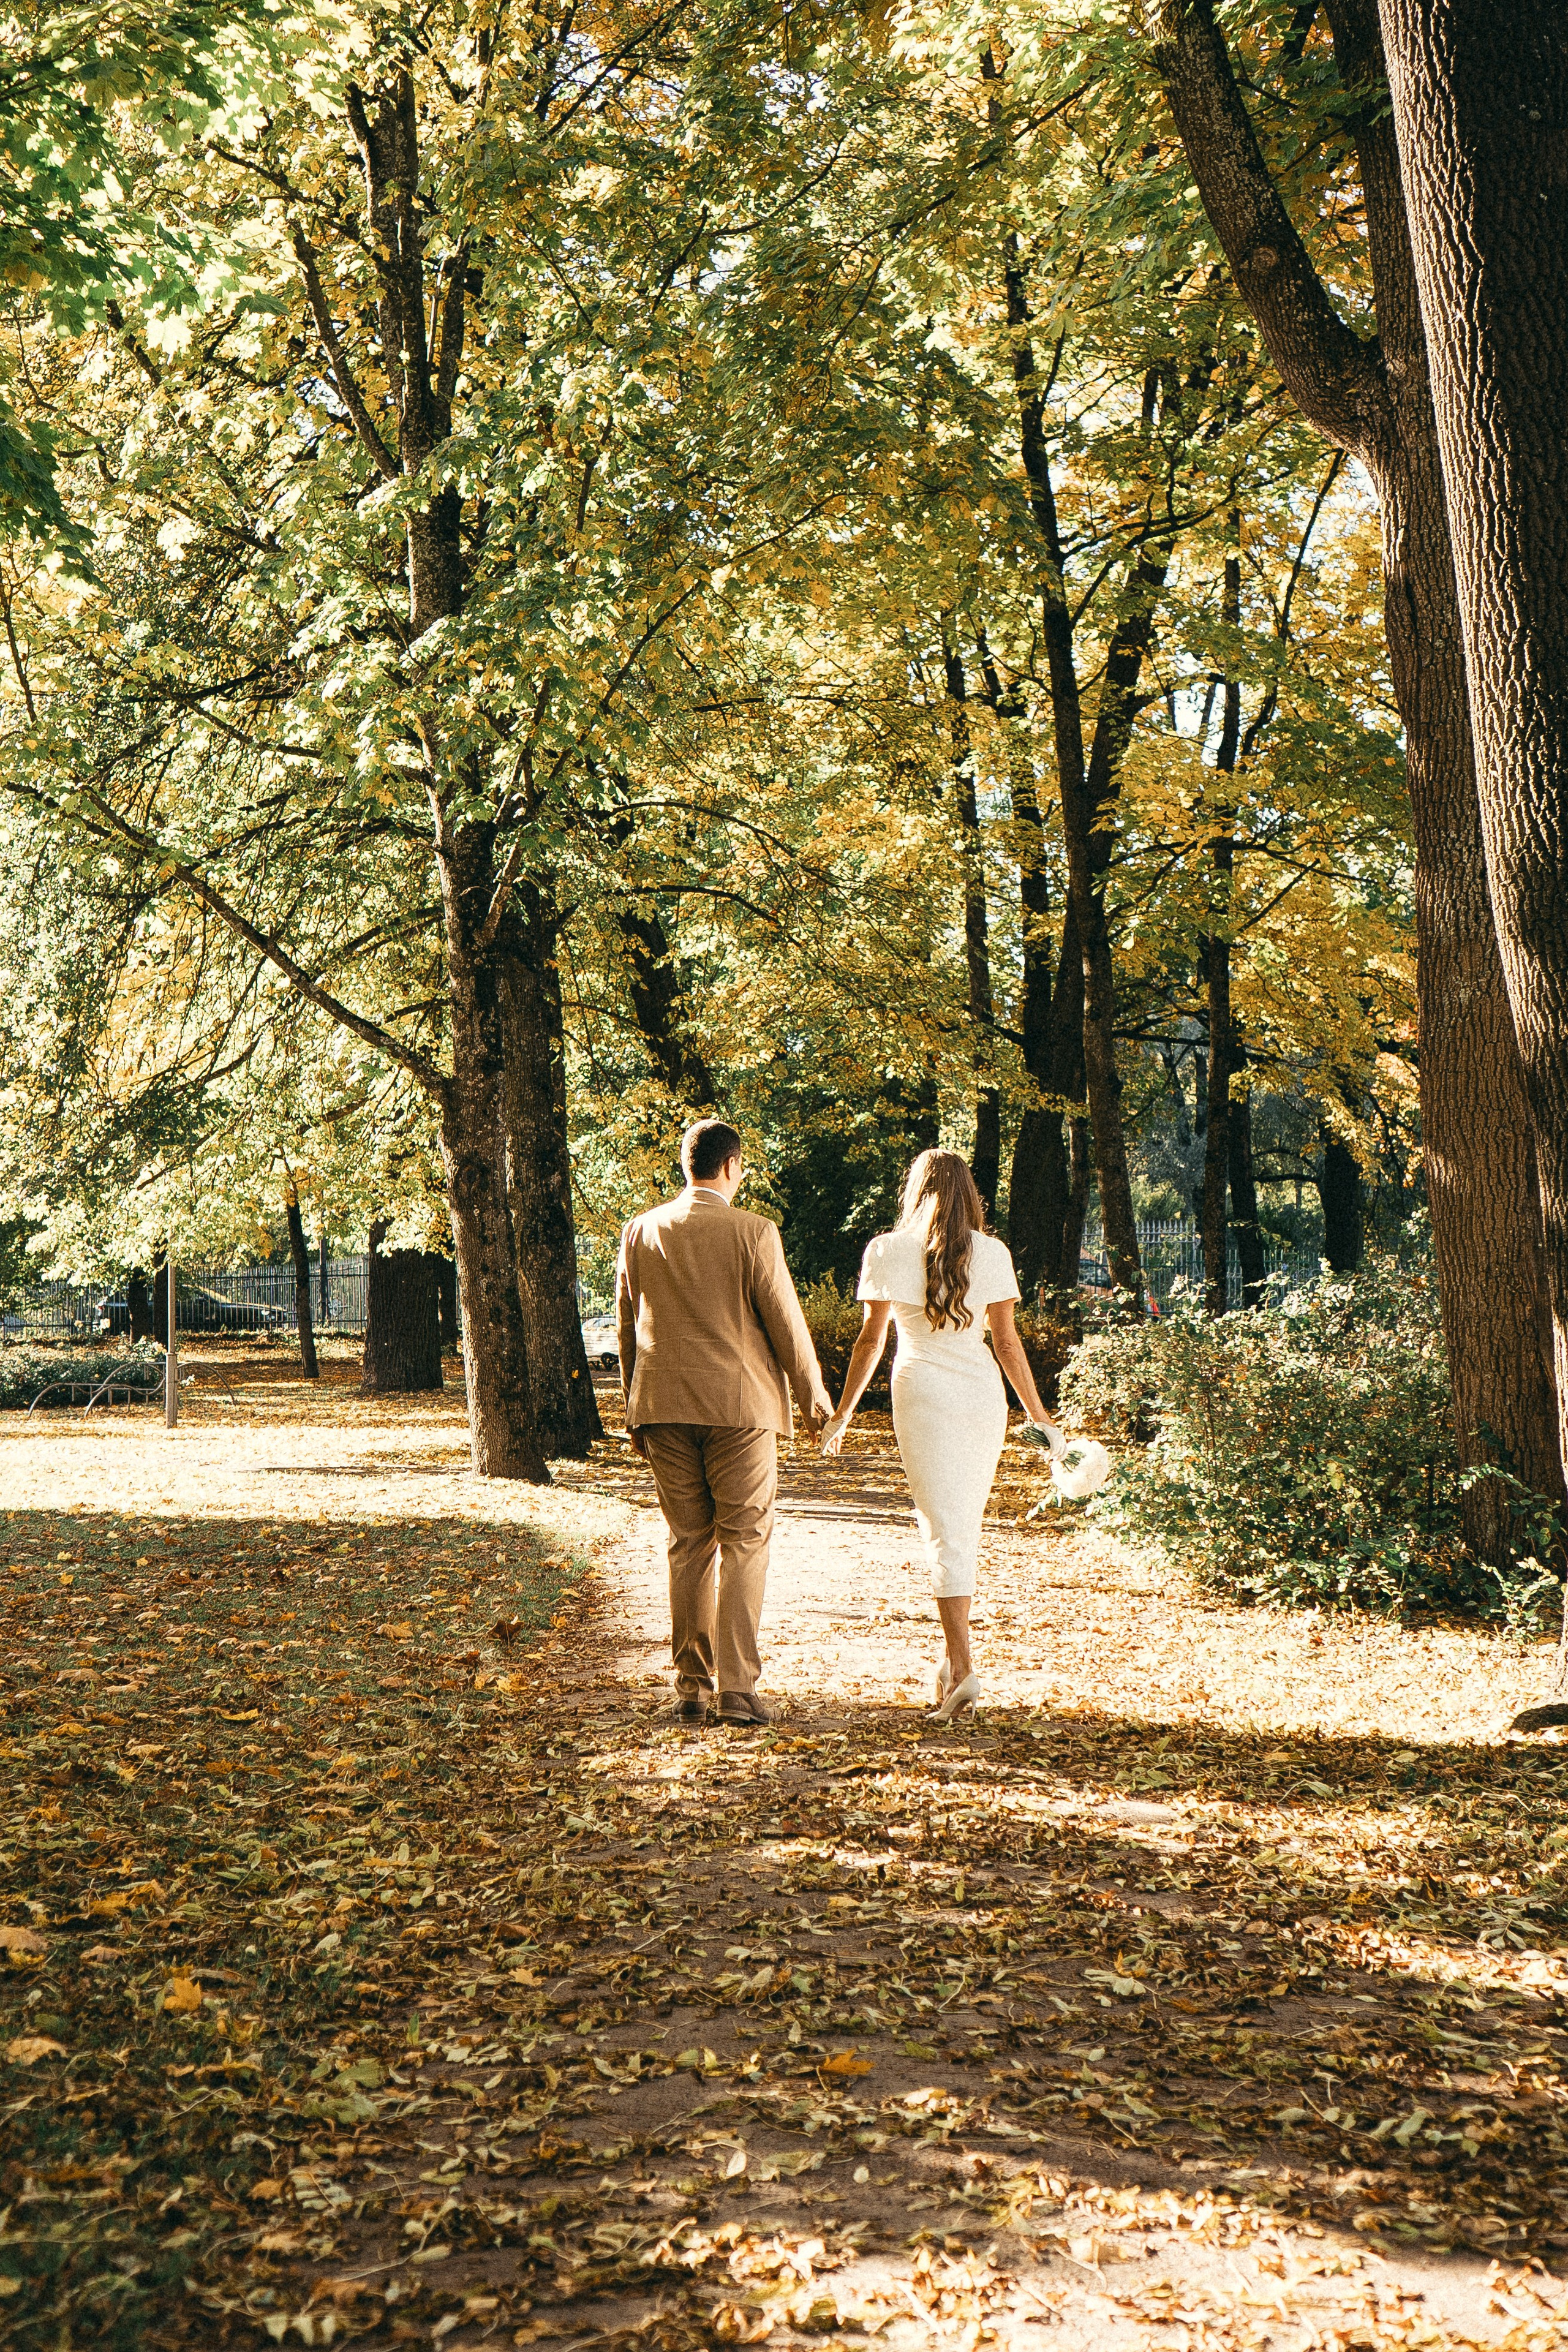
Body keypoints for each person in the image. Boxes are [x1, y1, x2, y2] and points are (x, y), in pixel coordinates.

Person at [820, 1149, 1065, 1721]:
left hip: (922, 1390)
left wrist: (844, 1412)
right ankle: (954, 1662)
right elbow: (1007, 1344)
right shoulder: (994, 1253)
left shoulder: (886, 1249)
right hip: (982, 1394)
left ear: (915, 1189)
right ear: (969, 1193)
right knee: (960, 1526)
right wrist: (1039, 1416)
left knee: (944, 1527)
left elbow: (870, 1342)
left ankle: (963, 1666)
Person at [616, 1117, 832, 1727]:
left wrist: (635, 1406)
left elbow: (629, 1321)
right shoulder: (754, 1232)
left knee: (688, 1545)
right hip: (740, 1409)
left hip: (662, 1403)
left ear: (688, 1166)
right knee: (744, 1540)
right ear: (732, 1167)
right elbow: (785, 1321)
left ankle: (690, 1688)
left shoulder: (641, 1230)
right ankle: (737, 1690)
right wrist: (814, 1396)